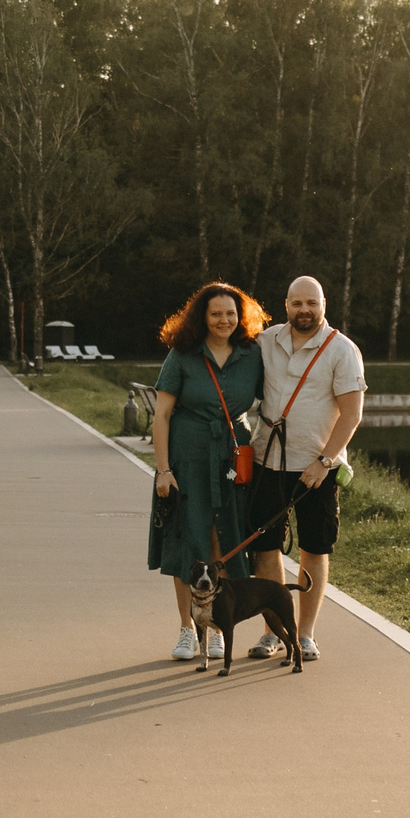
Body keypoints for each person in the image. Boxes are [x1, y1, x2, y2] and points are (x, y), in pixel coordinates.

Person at [146, 281, 271, 662]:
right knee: (188, 540)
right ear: (202, 316)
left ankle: (217, 627)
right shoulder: (183, 354)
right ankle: (187, 628)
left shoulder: (252, 354)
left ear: (241, 316)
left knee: (224, 539)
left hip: (233, 457)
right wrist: (163, 470)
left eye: (231, 313)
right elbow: (162, 415)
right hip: (188, 456)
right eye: (216, 313)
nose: (224, 320)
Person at [247, 275, 367, 661]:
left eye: (311, 304)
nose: (305, 310)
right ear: (286, 305)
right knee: (266, 550)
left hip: (317, 468)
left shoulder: (342, 350)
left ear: (324, 305)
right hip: (267, 461)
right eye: (297, 303)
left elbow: (352, 414)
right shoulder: (266, 341)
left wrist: (324, 461)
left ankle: (306, 634)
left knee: (314, 550)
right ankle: (272, 632)